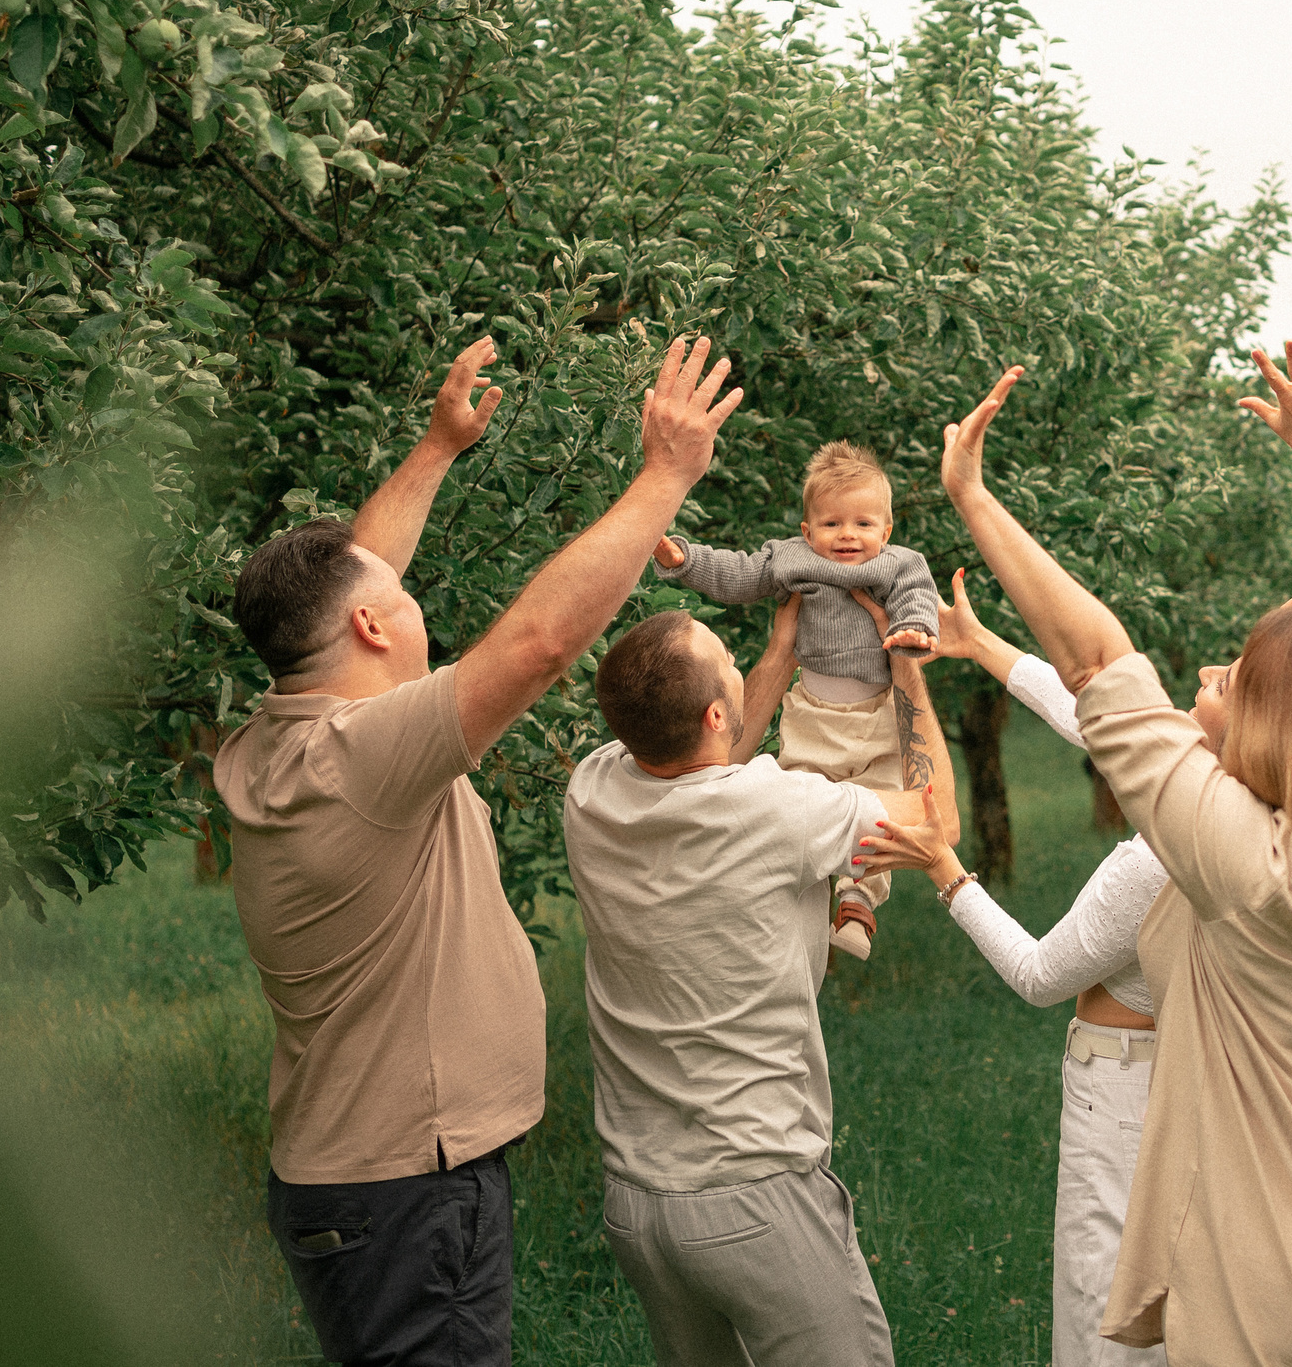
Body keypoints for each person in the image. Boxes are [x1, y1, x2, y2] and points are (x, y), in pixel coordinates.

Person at [865, 349, 1292, 1367]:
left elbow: (1101, 664)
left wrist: (971, 497)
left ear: (1276, 732)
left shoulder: (1240, 868)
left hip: (1271, 1300)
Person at [215, 335, 744, 1367]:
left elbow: (364, 575)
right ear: (373, 627)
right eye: (401, 601)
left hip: (346, 1176)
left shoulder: (275, 737)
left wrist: (437, 447)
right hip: (411, 1188)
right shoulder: (366, 757)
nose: (416, 605)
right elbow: (538, 645)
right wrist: (665, 475)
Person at [562, 592, 959, 1367]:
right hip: (755, 1195)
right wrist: (907, 672)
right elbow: (931, 818)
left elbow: (704, 755)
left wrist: (782, 651)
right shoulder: (781, 809)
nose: (744, 673)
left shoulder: (593, 790)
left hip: (638, 1203)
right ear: (716, 715)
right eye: (730, 664)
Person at [652, 439, 942, 960]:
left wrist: (915, 631)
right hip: (812, 710)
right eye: (831, 524)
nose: (847, 535)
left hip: (878, 714)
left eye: (862, 524)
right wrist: (686, 561)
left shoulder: (901, 566)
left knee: (881, 805)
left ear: (887, 530)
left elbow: (918, 600)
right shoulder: (793, 560)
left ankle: (858, 901)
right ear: (807, 532)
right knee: (802, 788)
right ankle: (793, 891)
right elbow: (739, 573)